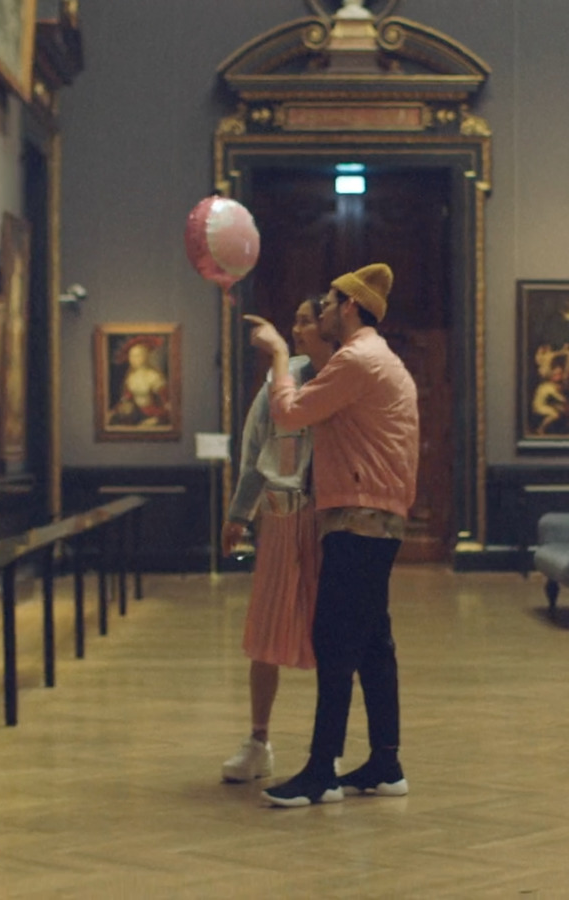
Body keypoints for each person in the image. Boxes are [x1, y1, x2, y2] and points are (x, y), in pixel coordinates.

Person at [242, 263, 419, 808]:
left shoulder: (358, 359)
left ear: (349, 306)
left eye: (327, 304)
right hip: (374, 515)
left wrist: (275, 354)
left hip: (359, 516)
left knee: (336, 641)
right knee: (371, 641)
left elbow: (292, 413)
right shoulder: (380, 358)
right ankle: (386, 764)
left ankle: (321, 772)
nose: (318, 313)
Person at [218, 297, 334, 783]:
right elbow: (257, 449)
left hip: (333, 522)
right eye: (297, 320)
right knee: (266, 632)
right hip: (284, 518)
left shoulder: (351, 374)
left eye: (307, 320)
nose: (298, 327)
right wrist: (238, 515)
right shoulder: (280, 382)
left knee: (334, 634)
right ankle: (258, 739)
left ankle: (327, 745)